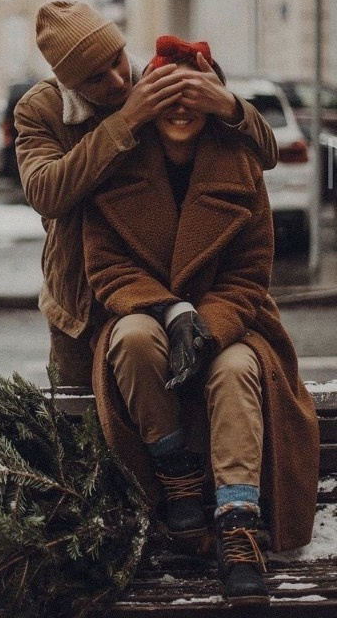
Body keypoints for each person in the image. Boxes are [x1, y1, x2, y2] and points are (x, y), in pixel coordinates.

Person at [85, 36, 318, 602]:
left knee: (236, 367)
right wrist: (171, 310)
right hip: (145, 318)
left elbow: (248, 278)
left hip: (235, 325)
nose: (181, 106)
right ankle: (178, 476)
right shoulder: (115, 168)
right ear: (146, 98)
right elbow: (109, 270)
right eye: (167, 92)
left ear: (215, 98)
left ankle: (239, 526)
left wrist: (206, 325)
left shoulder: (240, 169)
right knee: (134, 338)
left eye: (195, 92)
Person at [13, 1, 279, 390]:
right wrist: (126, 120)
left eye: (117, 59)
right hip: (81, 303)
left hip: (158, 292)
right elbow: (45, 193)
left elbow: (265, 154)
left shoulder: (156, 76)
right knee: (82, 426)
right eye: (95, 78)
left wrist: (228, 103)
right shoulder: (41, 109)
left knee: (170, 406)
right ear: (69, 82)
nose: (119, 82)